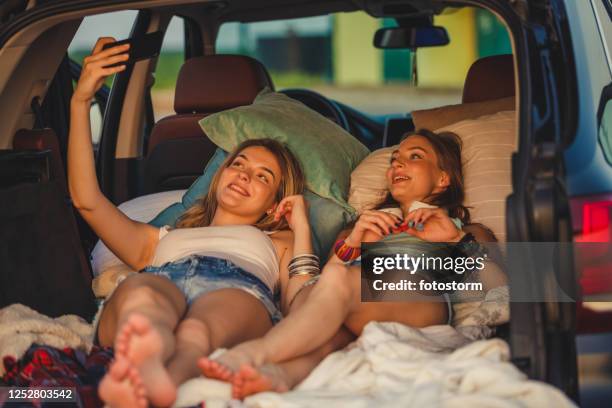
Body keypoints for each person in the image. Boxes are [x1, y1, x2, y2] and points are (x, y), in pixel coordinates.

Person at [68, 38, 315, 408]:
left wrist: (303, 228)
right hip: (163, 277)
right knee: (143, 299)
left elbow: (303, 307)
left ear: (275, 203)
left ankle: (161, 380)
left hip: (238, 289)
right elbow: (87, 202)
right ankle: (147, 364)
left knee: (200, 328)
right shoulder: (159, 239)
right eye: (239, 164)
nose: (245, 176)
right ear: (220, 175)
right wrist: (80, 101)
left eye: (264, 177)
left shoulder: (280, 241)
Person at [200, 129, 507, 399]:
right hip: (356, 298)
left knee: (338, 279)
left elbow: (503, 295)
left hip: (419, 299)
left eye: (414, 156)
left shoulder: (466, 230)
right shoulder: (362, 226)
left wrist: (456, 240)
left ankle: (254, 353)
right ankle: (283, 375)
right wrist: (353, 242)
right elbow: (307, 298)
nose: (397, 163)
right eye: (394, 158)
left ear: (443, 178)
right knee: (331, 309)